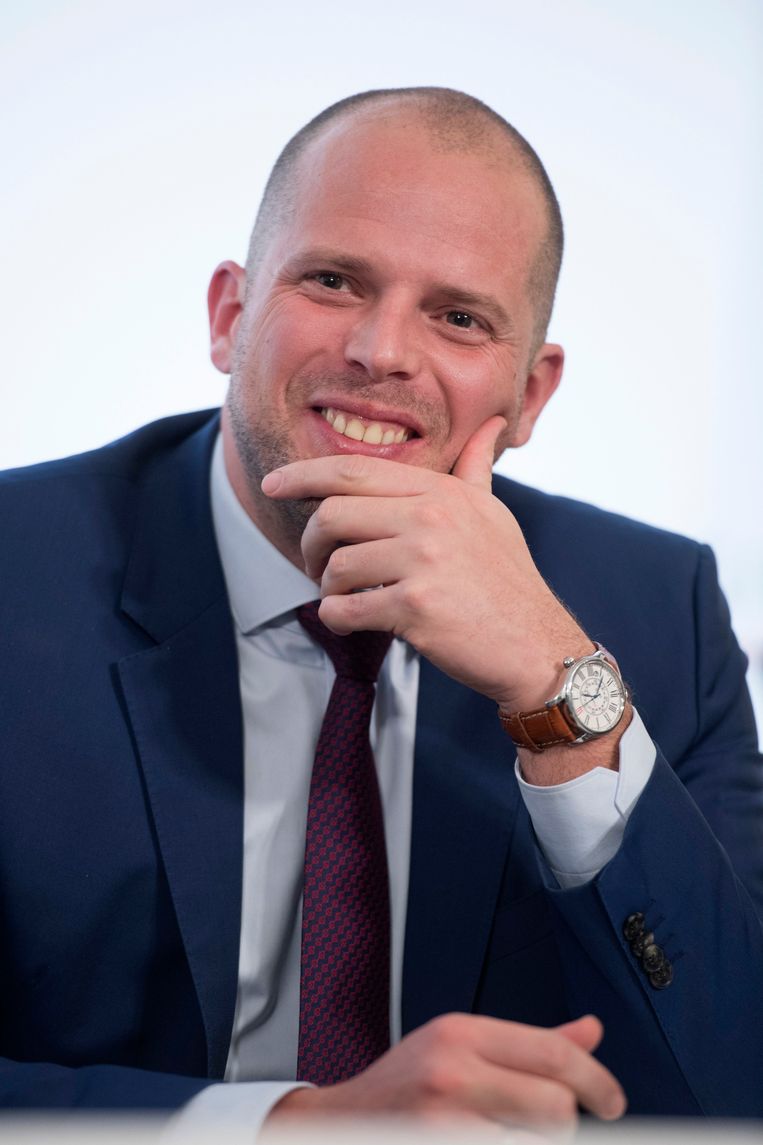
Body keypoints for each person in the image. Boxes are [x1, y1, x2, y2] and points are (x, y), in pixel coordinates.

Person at [0, 87, 761, 1134]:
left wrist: (556, 689)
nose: (380, 349)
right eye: (332, 279)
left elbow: (734, 1085)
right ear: (229, 316)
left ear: (531, 395)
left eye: (458, 317)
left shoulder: (658, 610)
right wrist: (290, 1124)